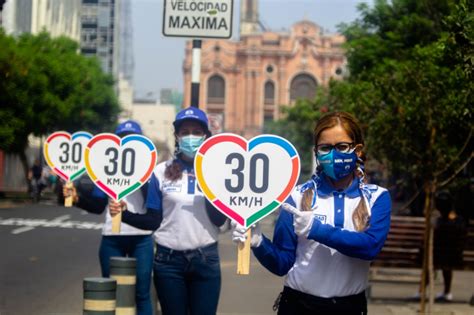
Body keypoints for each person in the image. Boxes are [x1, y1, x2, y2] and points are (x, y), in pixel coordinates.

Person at [233, 111, 392, 315]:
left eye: (342, 146)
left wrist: (316, 229)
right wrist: (257, 242)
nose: (333, 154)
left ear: (358, 150)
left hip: (349, 308)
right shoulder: (296, 197)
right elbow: (282, 264)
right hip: (298, 305)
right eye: (325, 148)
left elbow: (370, 247)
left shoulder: (377, 197)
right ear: (316, 152)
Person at [110, 107, 227, 315]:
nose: (191, 137)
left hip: (205, 259)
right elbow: (154, 220)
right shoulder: (160, 172)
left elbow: (219, 221)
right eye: (185, 132)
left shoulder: (217, 171)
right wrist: (123, 213)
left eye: (197, 132)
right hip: (168, 261)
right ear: (177, 136)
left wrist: (211, 187)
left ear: (206, 136)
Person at [63, 120, 154, 315]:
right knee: (111, 293)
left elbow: (152, 206)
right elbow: (97, 206)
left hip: (142, 238)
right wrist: (76, 197)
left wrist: (139, 176)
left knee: (142, 294)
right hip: (112, 238)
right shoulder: (105, 171)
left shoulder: (148, 171)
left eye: (131, 139)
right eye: (122, 139)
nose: (126, 143)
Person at [416, 190, 467, 302]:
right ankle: (447, 291)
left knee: (429, 263)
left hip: (435, 256)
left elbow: (427, 241)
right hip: (454, 257)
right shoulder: (458, 222)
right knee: (446, 266)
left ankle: (421, 291)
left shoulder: (436, 222)